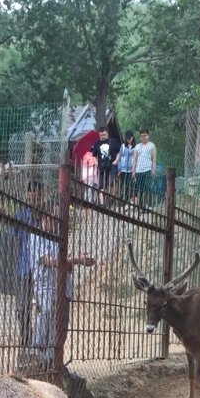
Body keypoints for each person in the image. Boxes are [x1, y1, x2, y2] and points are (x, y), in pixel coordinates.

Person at [29, 204, 95, 370]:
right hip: (46, 286)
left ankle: (53, 360)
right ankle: (36, 348)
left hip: (63, 287)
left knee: (62, 327)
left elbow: (66, 265)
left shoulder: (58, 237)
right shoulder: (36, 235)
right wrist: (76, 260)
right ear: (44, 217)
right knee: (48, 310)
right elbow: (50, 261)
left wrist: (76, 261)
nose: (57, 222)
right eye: (54, 217)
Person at [12, 182, 44, 351]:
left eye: (36, 198)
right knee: (22, 308)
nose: (33, 202)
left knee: (42, 307)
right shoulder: (21, 217)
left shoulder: (46, 218)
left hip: (42, 269)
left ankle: (40, 342)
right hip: (24, 267)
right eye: (30, 198)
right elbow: (13, 241)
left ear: (42, 196)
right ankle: (26, 338)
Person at [91, 127, 120, 200]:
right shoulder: (97, 143)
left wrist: (116, 160)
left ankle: (111, 197)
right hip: (101, 166)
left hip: (111, 165)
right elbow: (94, 155)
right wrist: (96, 162)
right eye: (101, 135)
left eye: (104, 135)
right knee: (101, 185)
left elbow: (119, 152)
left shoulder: (113, 141)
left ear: (107, 133)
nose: (103, 137)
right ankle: (102, 202)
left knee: (111, 182)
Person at [132, 129, 157, 208]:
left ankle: (149, 204)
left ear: (148, 135)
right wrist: (133, 170)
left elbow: (154, 158)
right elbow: (135, 159)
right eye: (142, 136)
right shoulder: (137, 146)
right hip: (139, 170)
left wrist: (153, 168)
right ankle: (141, 205)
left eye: (145, 135)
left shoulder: (152, 145)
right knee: (140, 188)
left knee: (148, 188)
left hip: (148, 169)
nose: (143, 137)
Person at [116, 131, 136, 200]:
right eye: (127, 139)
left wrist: (135, 169)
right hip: (123, 169)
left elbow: (137, 158)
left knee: (130, 185)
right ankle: (123, 198)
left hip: (131, 169)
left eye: (130, 138)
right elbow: (120, 157)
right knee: (122, 184)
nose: (129, 140)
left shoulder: (136, 147)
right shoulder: (123, 146)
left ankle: (128, 199)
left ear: (132, 138)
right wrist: (119, 168)